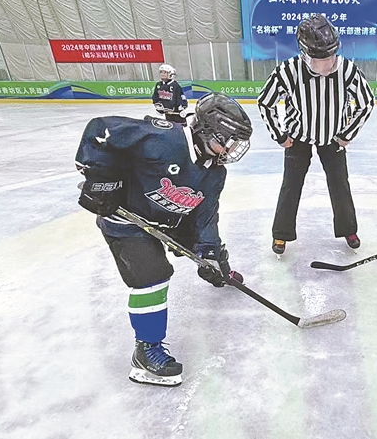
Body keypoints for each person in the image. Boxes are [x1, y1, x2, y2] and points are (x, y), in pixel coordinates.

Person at [75, 92, 253, 386]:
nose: (231, 149)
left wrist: (208, 252)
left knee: (209, 248)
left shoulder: (214, 173)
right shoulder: (164, 139)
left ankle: (218, 272)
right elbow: (100, 130)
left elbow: (206, 214)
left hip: (169, 218)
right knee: (153, 275)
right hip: (128, 220)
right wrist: (101, 181)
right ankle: (145, 352)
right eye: (228, 141)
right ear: (206, 132)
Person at [257, 14, 376, 256]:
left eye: (331, 56)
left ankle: (348, 229)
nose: (328, 64)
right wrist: (280, 135)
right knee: (291, 185)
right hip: (297, 137)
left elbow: (367, 102)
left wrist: (347, 134)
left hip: (333, 138)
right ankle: (281, 233)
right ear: (305, 54)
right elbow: (265, 102)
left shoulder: (347, 70)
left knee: (340, 184)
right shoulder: (288, 71)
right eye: (321, 59)